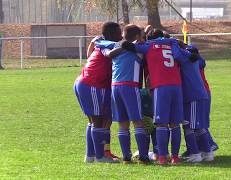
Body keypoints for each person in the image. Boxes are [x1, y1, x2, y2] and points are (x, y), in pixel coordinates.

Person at [121, 29, 197, 165]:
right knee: (175, 124)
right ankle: (175, 157)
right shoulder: (172, 44)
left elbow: (127, 46)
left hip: (161, 87)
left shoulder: (149, 45)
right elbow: (191, 56)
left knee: (161, 123)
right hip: (176, 86)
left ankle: (162, 157)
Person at [96, 24, 149, 164]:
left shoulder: (114, 46)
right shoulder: (137, 49)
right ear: (137, 37)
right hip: (130, 86)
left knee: (123, 123)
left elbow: (103, 48)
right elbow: (146, 48)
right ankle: (143, 157)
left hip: (115, 87)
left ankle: (126, 157)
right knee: (138, 122)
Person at [73, 22, 122, 163]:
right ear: (112, 35)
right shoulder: (108, 45)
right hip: (92, 84)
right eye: (119, 33)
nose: (121, 36)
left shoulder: (102, 43)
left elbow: (91, 53)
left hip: (85, 83)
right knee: (98, 121)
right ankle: (100, 157)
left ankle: (90, 156)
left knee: (94, 121)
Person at [174, 44, 214, 162]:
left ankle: (195, 154)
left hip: (192, 96)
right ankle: (208, 152)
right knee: (198, 127)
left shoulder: (185, 60)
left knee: (189, 126)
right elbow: (202, 61)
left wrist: (173, 43)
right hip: (198, 95)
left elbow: (176, 54)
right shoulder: (196, 61)